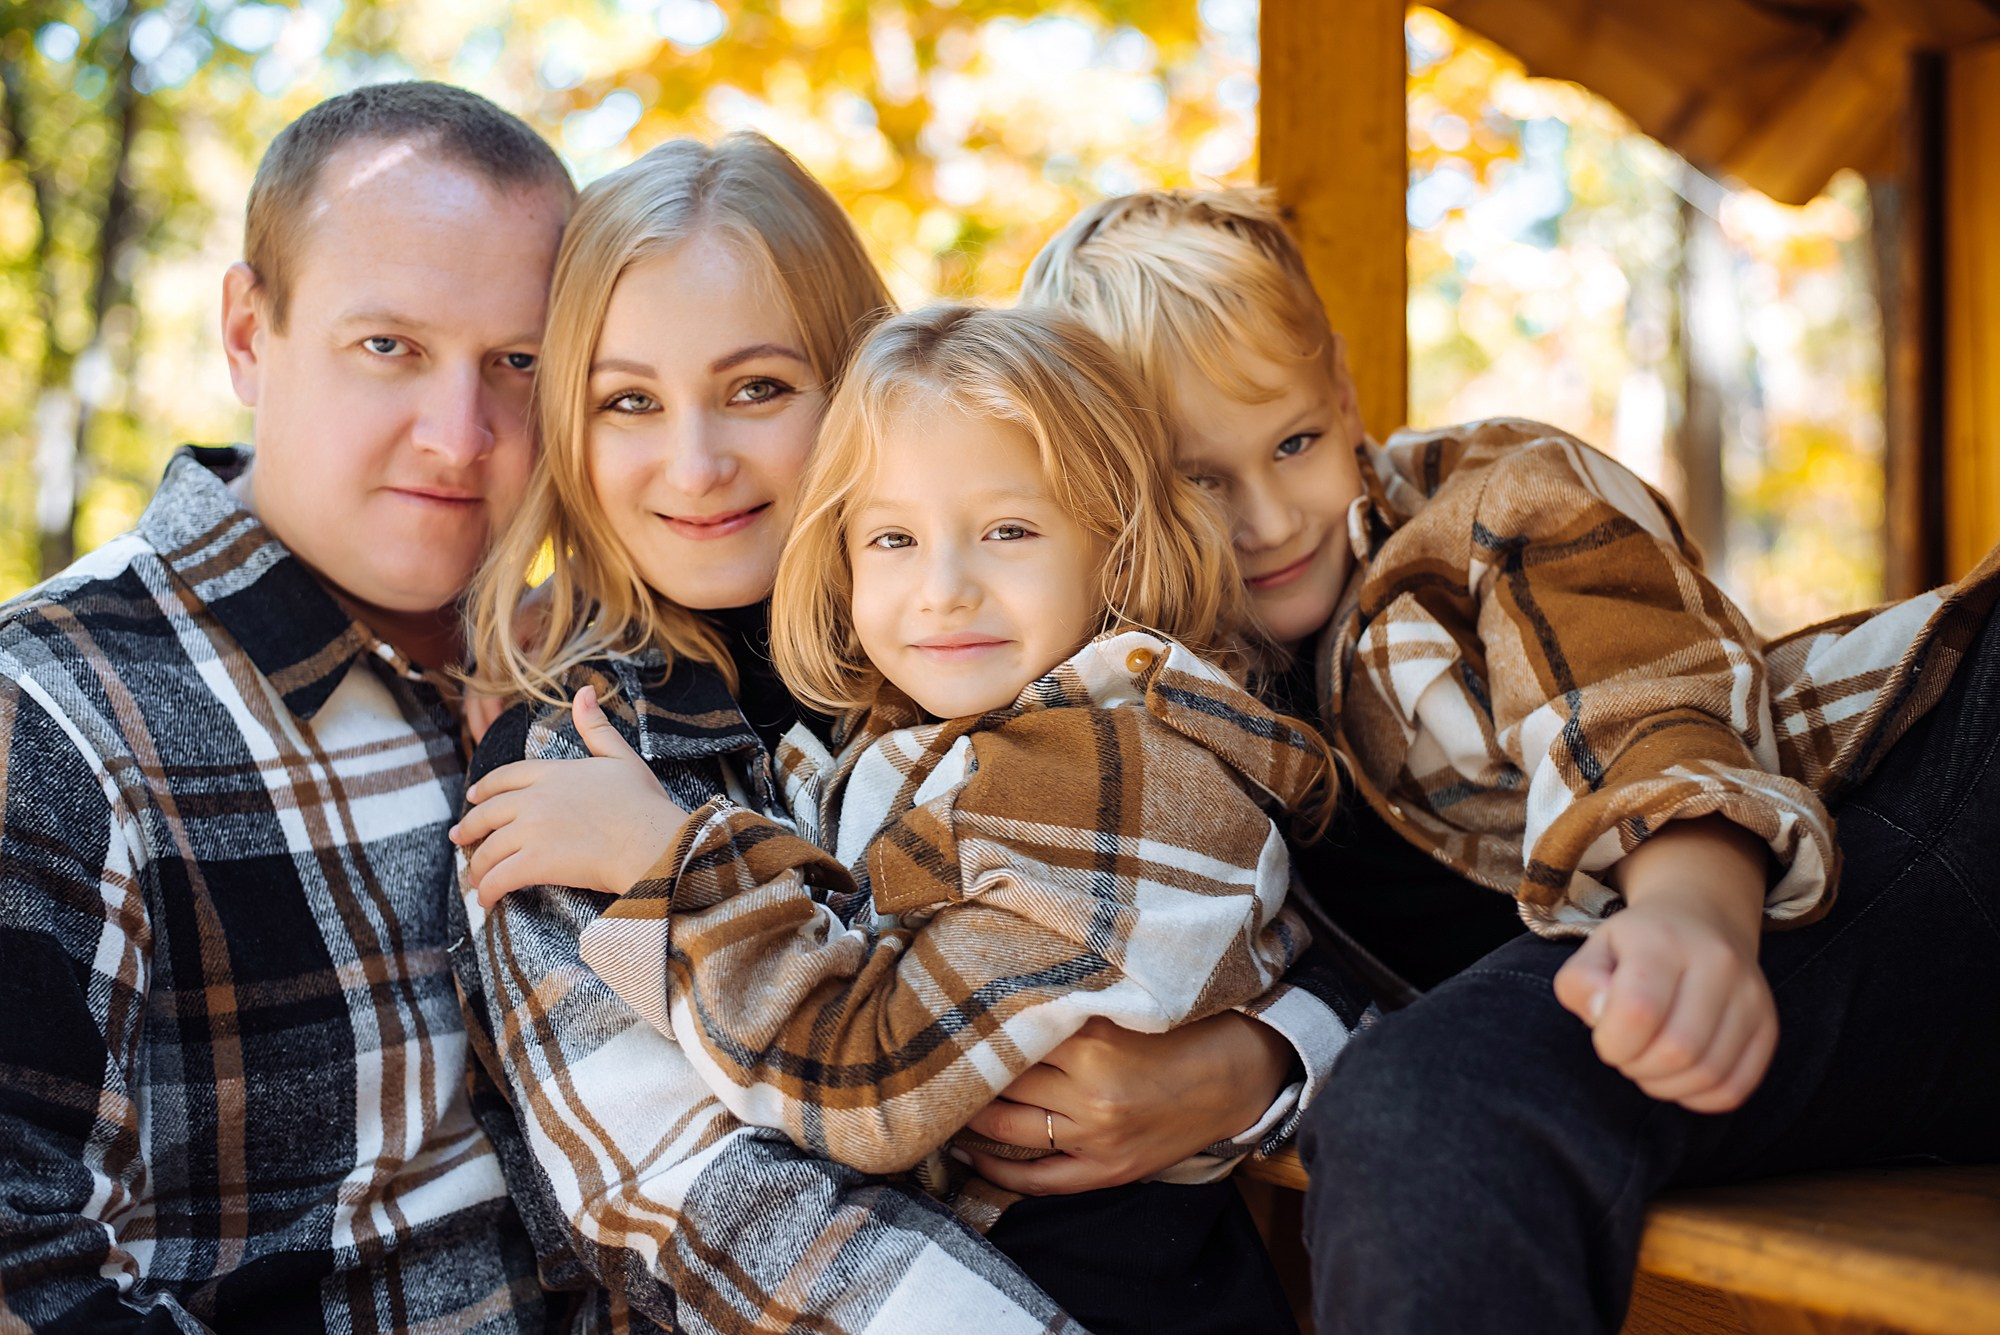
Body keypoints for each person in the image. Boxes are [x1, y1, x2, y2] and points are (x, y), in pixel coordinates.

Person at [1023, 186, 2000, 1333]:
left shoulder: (1480, 511)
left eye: (1292, 441)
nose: (1269, 519)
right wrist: (1250, 1063)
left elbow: (1633, 700)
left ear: (1340, 389)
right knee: (1415, 1111)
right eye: (1198, 481)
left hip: (1931, 783)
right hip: (1838, 1009)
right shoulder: (1146, 719)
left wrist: (1686, 903)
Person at [460, 304, 1366, 1333]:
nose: (942, 590)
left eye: (1008, 532)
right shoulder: (954, 742)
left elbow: (868, 1087)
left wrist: (667, 861)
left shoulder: (1111, 770)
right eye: (893, 537)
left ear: (1115, 548)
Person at [445, 133, 1104, 1334]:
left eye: (757, 388)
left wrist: (1261, 1066)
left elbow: (1247, 880)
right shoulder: (569, 770)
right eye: (629, 402)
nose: (695, 465)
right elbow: (692, 1201)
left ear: (858, 385)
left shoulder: (992, 635)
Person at [0, 83, 573, 1329]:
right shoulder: (50, 711)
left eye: (517, 363)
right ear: (250, 335)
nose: (460, 433)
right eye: (390, 347)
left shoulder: (601, 685)